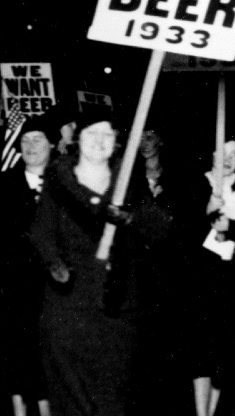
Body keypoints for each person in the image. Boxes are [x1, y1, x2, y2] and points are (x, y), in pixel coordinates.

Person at [29, 114, 172, 416]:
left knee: (110, 393)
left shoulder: (127, 181)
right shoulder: (58, 180)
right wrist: (55, 263)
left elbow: (160, 227)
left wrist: (131, 218)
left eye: (107, 135)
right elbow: (41, 232)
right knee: (72, 395)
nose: (99, 141)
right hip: (68, 304)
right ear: (78, 140)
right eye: (92, 134)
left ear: (117, 143)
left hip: (115, 305)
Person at [178, 137, 235, 416]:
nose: (228, 159)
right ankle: (200, 411)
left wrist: (233, 227)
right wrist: (207, 214)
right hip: (199, 278)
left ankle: (213, 409)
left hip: (233, 280)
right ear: (212, 154)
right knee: (200, 348)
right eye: (222, 153)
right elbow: (180, 231)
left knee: (225, 349)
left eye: (234, 154)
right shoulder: (195, 183)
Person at [0, 115, 56, 416]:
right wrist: (4, 266)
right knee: (14, 353)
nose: (31, 146)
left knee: (48, 355)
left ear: (52, 144)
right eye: (25, 141)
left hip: (55, 292)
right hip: (14, 290)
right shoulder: (3, 185)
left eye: (38, 140)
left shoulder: (64, 184)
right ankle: (18, 408)